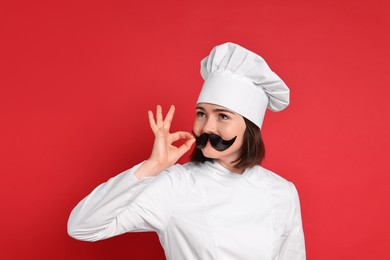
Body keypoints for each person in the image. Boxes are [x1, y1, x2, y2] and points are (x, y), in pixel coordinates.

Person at [67, 42, 306, 260]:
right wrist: (153, 166)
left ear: (250, 128)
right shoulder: (177, 184)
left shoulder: (282, 192)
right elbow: (83, 226)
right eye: (201, 114)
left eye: (222, 116)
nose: (207, 127)